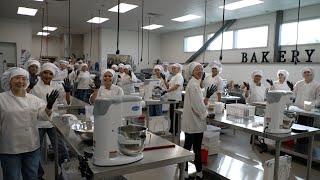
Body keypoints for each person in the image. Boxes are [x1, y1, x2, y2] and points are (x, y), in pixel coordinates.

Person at [0, 67, 59, 180]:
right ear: (10, 81)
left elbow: (42, 115)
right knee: (12, 176)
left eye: (24, 79)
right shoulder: (1, 99)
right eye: (17, 78)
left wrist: (49, 106)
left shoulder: (33, 99)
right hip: (9, 147)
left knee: (31, 176)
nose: (21, 81)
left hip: (31, 145)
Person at [30, 63, 71, 179]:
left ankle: (64, 173)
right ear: (41, 73)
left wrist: (68, 91)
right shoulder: (34, 84)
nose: (47, 75)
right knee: (35, 151)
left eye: (50, 73)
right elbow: (25, 98)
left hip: (52, 121)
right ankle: (38, 175)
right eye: (45, 73)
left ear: (53, 75)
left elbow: (67, 102)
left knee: (61, 148)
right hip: (37, 121)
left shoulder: (57, 86)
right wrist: (29, 87)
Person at [182, 62, 217, 180]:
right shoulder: (194, 85)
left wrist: (206, 97)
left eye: (201, 69)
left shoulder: (194, 84)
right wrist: (207, 115)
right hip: (194, 123)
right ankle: (195, 174)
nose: (200, 71)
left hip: (192, 122)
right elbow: (197, 106)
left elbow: (198, 102)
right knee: (193, 149)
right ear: (192, 72)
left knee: (189, 148)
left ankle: (192, 172)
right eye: (197, 69)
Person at [293, 67, 320, 133]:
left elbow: (318, 99)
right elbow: (293, 95)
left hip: (309, 111)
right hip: (298, 109)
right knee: (297, 127)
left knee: (307, 129)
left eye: (308, 72)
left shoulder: (317, 85)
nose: (306, 74)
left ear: (311, 73)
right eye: (305, 72)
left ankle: (305, 142)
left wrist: (311, 105)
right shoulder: (298, 84)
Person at [162, 63, 184, 134]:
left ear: (178, 69)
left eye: (175, 68)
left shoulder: (179, 76)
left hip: (176, 98)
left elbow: (176, 87)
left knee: (175, 115)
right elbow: (168, 86)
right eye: (173, 68)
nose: (173, 69)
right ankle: (172, 129)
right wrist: (164, 79)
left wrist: (166, 91)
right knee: (171, 115)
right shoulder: (173, 76)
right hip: (171, 98)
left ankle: (176, 130)